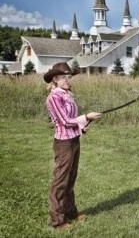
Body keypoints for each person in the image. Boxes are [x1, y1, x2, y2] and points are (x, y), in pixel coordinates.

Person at [44, 62, 102, 230]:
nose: (69, 80)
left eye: (69, 77)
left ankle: (70, 211)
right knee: (60, 181)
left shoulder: (68, 94)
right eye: (65, 78)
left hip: (74, 139)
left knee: (70, 178)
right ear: (55, 79)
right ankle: (57, 219)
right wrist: (86, 116)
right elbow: (65, 121)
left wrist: (82, 126)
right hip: (63, 143)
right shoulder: (54, 97)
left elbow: (74, 120)